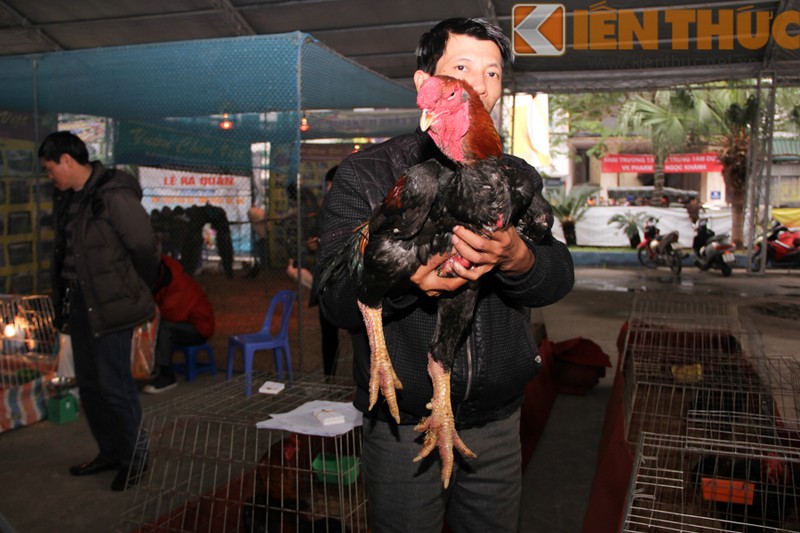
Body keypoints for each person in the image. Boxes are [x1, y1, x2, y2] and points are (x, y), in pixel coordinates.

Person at [316, 18, 574, 533]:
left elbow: (560, 275)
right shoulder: (366, 174)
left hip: (498, 421)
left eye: (493, 73)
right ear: (424, 82)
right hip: (402, 426)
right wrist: (407, 285)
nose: (479, 84)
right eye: (462, 68)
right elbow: (335, 300)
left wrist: (520, 257)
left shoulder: (516, 176)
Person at [40, 131, 159, 492]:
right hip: (79, 303)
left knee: (115, 386)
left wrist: (135, 287)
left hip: (112, 305)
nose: (50, 177)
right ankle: (110, 451)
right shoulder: (68, 198)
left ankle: (135, 458)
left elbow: (143, 245)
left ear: (67, 160)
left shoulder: (112, 195)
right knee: (90, 386)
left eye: (50, 169)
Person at [143, 255, 215, 393]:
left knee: (164, 328)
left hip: (199, 328)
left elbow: (170, 317)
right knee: (159, 327)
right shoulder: (167, 275)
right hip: (188, 322)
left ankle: (166, 376)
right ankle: (150, 370)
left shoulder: (177, 287)